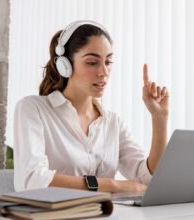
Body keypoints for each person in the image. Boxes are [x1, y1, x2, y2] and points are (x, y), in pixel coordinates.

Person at [13, 20, 169, 193]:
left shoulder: (112, 123)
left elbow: (148, 178)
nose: (104, 72)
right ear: (65, 66)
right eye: (92, 62)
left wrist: (159, 117)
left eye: (108, 62)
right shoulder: (33, 109)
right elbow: (32, 180)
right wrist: (113, 185)